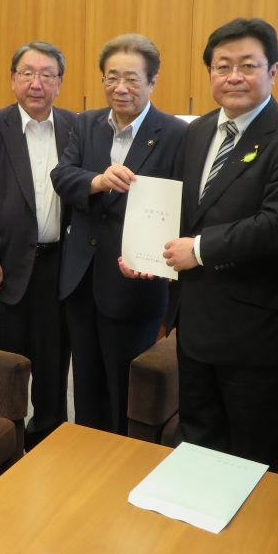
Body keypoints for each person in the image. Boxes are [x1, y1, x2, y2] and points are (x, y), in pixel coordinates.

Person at [155, 18, 278, 470]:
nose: (234, 76)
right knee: (198, 442)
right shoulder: (198, 131)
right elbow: (188, 211)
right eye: (222, 66)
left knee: (256, 458)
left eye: (248, 65)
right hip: (195, 326)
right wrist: (150, 255)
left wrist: (199, 250)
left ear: (273, 71)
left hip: (256, 335)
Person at [50, 33, 186, 435]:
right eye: (111, 78)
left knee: (127, 389)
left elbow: (181, 205)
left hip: (135, 279)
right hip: (81, 277)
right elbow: (62, 175)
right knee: (86, 383)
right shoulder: (86, 122)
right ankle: (89, 453)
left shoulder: (176, 133)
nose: (120, 88)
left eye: (131, 79)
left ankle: (126, 458)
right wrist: (96, 181)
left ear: (153, 81)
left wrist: (160, 261)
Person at [0, 40, 78, 449]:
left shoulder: (76, 126)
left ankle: (48, 441)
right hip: (4, 266)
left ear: (60, 82)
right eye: (27, 73)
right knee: (5, 367)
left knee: (53, 364)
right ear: (13, 79)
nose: (36, 83)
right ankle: (4, 445)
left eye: (47, 75)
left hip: (58, 267)